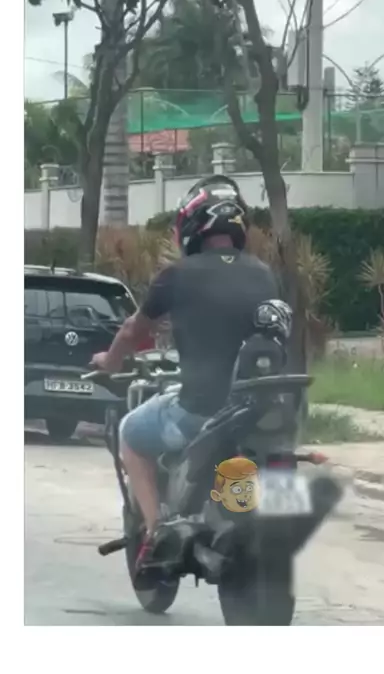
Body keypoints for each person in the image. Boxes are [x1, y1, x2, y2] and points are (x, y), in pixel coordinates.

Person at [91, 175, 279, 571]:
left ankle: (156, 530)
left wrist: (110, 360)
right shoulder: (264, 274)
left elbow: (133, 330)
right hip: (258, 409)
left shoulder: (177, 275)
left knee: (130, 433)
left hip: (200, 409)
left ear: (192, 226)